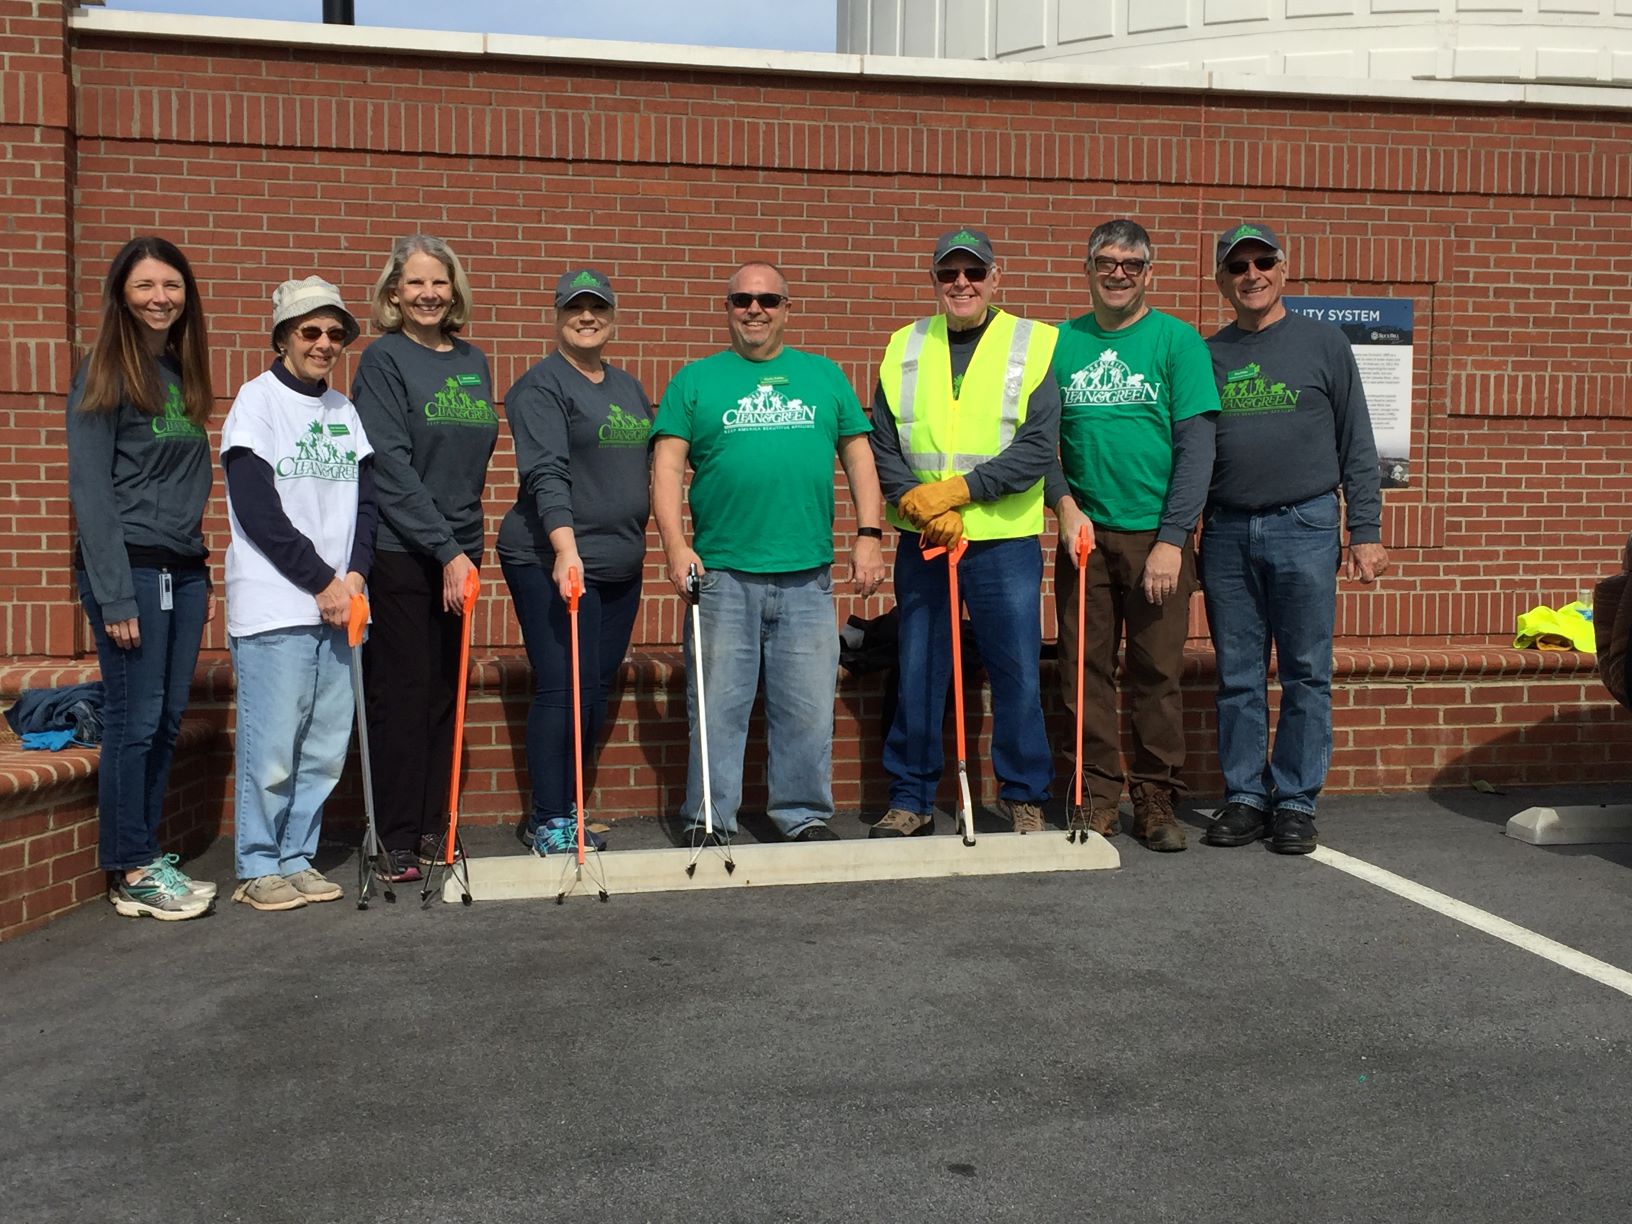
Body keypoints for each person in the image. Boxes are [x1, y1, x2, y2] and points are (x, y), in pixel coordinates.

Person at [651, 261, 885, 843]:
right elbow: (667, 467)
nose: (754, 309)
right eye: (742, 300)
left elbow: (859, 456)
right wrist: (676, 545)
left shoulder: (824, 376)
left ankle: (802, 816)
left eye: (768, 300)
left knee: (808, 709)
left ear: (787, 309)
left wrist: (869, 535)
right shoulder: (694, 381)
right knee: (717, 708)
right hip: (723, 576)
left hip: (808, 578)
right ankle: (710, 819)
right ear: (727, 309)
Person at [1200, 223, 1388, 855]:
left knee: (1306, 672)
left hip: (1304, 524)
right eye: (1238, 266)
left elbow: (1357, 441)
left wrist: (1365, 531)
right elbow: (1191, 449)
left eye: (1263, 262)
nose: (1251, 274)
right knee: (1238, 675)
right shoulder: (1208, 353)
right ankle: (1245, 797)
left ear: (1283, 269)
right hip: (1227, 530)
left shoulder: (1323, 343)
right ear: (1221, 280)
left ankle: (1296, 801)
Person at [868, 227, 1061, 837]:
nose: (961, 283)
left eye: (974, 272)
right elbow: (883, 444)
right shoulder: (904, 344)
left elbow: (1037, 448)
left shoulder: (1033, 343)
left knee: (1017, 674)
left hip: (1003, 541)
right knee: (919, 670)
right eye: (949, 273)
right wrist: (923, 508)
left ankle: (1024, 797)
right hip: (926, 541)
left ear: (995, 278)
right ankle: (911, 799)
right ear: (933, 281)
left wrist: (958, 492)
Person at [1046, 219, 1219, 851]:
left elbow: (1197, 450)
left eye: (1131, 264)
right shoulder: (1058, 343)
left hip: (1155, 539)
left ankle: (1155, 796)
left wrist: (1173, 539)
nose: (1117, 274)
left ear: (1149, 273)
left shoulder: (1177, 343)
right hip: (1085, 536)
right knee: (1083, 671)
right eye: (1106, 262)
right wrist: (1063, 505)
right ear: (1088, 269)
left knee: (1157, 673)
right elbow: (1038, 441)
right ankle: (1094, 795)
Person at [67, 236, 217, 921]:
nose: (161, 298)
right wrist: (115, 592)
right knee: (136, 719)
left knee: (166, 718)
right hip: (131, 568)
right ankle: (130, 868)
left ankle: (147, 854)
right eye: (146, 286)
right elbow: (91, 490)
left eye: (172, 285)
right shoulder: (104, 370)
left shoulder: (179, 372)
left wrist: (197, 566)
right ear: (122, 296)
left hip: (181, 570)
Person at [222, 276, 377, 910]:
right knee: (273, 745)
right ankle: (258, 864)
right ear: (284, 336)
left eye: (335, 334)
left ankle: (296, 856)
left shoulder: (344, 411)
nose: (324, 343)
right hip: (276, 606)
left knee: (324, 746)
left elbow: (367, 506)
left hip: (342, 604)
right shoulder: (255, 402)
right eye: (310, 331)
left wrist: (356, 576)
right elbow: (257, 510)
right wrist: (322, 582)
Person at [350, 236, 498, 881]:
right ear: (394, 293)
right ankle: (394, 837)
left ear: (454, 289)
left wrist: (461, 551)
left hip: (458, 553)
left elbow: (470, 464)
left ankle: (439, 825)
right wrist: (445, 551)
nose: (428, 294)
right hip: (404, 554)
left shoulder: (473, 359)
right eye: (414, 283)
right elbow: (390, 466)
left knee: (445, 694)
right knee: (403, 694)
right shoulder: (383, 360)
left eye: (439, 282)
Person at [499, 270, 653, 853]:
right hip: (553, 558)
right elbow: (546, 471)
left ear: (613, 316)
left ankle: (570, 805)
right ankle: (548, 818)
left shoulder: (629, 387)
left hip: (619, 563)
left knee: (594, 688)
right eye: (574, 308)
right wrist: (566, 549)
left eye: (598, 308)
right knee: (565, 686)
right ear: (558, 316)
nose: (587, 317)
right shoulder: (540, 387)